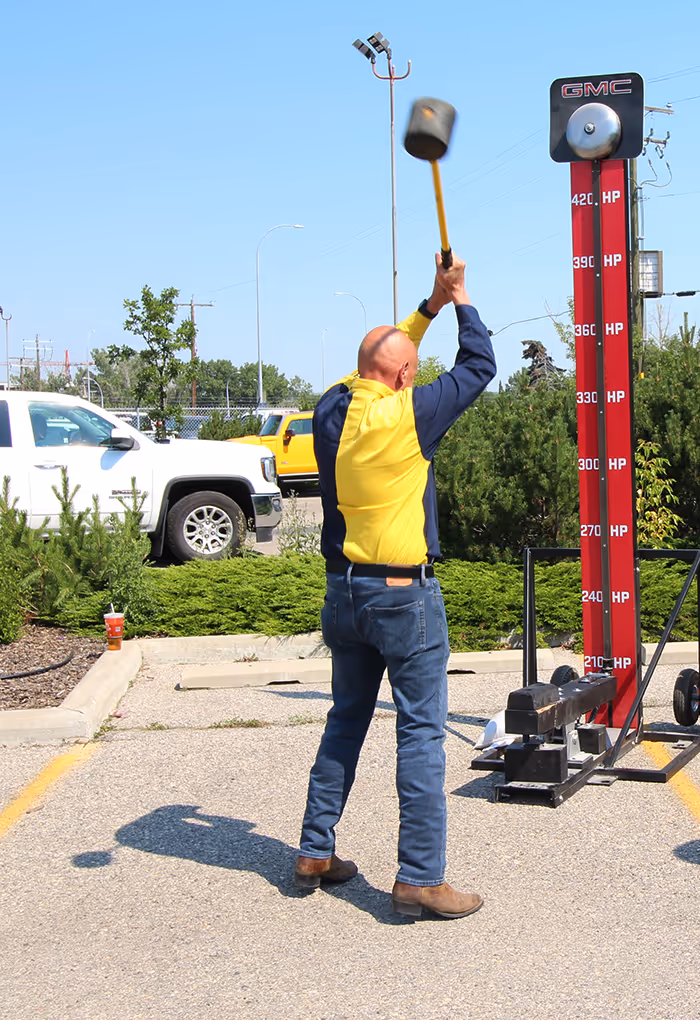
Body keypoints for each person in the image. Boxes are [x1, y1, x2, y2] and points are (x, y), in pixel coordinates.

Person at [294, 251, 496, 921]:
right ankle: (419, 878)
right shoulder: (408, 415)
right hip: (403, 597)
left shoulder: (332, 410)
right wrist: (462, 299)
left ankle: (315, 849)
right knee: (419, 734)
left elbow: (387, 357)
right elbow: (479, 367)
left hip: (342, 595)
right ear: (406, 377)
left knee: (345, 719)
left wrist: (430, 306)